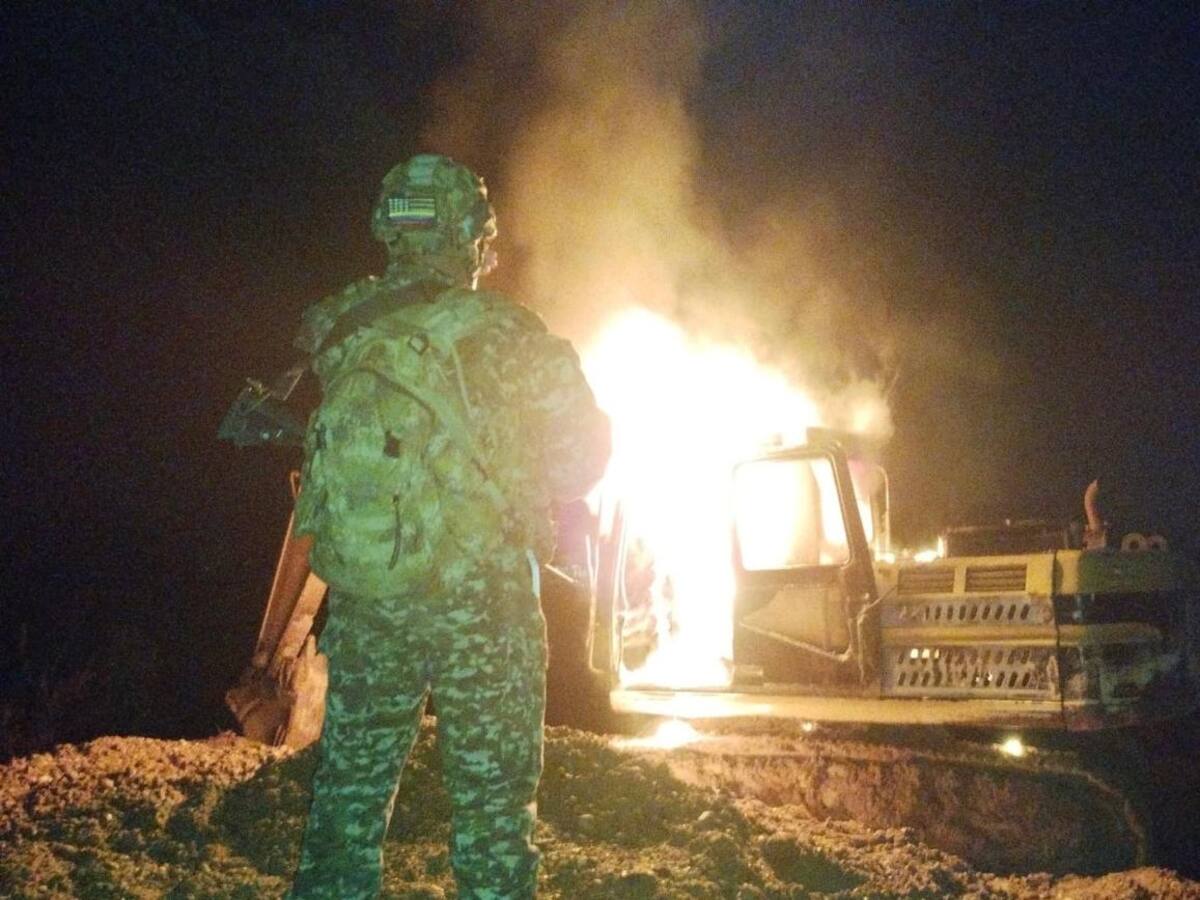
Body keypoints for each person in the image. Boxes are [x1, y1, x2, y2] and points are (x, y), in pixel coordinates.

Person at [287, 154, 610, 899]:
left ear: (389, 226)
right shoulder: (509, 335)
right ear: (472, 233)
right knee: (493, 819)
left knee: (345, 813)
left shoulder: (337, 327)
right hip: (483, 607)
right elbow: (580, 463)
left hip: (371, 597)